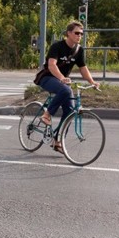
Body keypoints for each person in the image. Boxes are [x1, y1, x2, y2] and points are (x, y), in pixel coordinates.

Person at [37, 20, 99, 153]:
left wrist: (92, 82)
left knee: (70, 111)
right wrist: (61, 78)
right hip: (48, 78)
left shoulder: (79, 50)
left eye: (81, 34)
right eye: (77, 33)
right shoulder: (57, 46)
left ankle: (57, 140)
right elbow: (52, 65)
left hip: (62, 81)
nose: (79, 36)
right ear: (69, 33)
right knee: (65, 89)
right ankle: (47, 114)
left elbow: (83, 69)